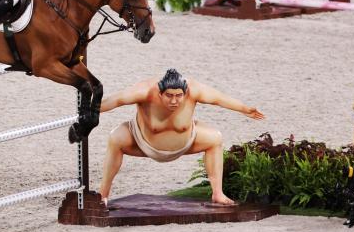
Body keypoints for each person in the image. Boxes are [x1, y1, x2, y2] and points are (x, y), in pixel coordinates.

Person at [98, 68, 265, 206]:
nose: (174, 101)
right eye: (169, 96)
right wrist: (91, 109)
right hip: (143, 144)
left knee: (215, 138)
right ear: (160, 93)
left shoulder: (194, 90)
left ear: (185, 93)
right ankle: (102, 195)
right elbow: (116, 100)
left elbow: (218, 98)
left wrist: (244, 109)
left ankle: (218, 193)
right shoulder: (144, 91)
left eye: (178, 96)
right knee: (116, 137)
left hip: (186, 143)